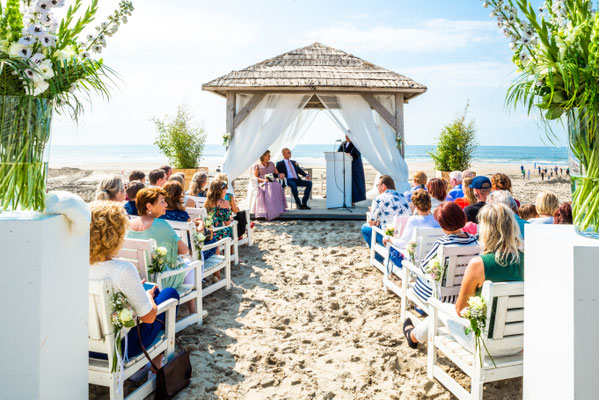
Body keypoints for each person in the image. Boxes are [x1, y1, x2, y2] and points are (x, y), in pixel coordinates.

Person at [403, 203, 523, 351]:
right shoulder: (528, 261)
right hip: (518, 343)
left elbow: (460, 309)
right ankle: (413, 334)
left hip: (484, 345)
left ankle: (413, 336)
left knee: (440, 309)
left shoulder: (479, 264)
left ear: (486, 229)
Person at [89, 201, 180, 362]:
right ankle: (157, 363)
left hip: (85, 347)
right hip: (122, 347)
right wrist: (148, 296)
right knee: (169, 293)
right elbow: (149, 318)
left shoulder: (74, 267)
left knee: (155, 291)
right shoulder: (122, 269)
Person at [127, 187, 189, 291]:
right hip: (159, 281)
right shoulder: (161, 224)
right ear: (149, 206)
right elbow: (184, 250)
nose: (166, 205)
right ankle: (192, 307)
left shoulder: (129, 224)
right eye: (162, 202)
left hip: (137, 280)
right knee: (190, 264)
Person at [383, 189, 440, 267]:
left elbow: (402, 244)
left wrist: (388, 238)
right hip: (432, 261)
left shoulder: (413, 220)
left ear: (416, 206)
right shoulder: (437, 219)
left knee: (392, 250)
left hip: (415, 263)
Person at [361, 175, 410, 248]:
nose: (378, 188)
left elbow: (372, 223)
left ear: (383, 186)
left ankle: (381, 257)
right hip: (403, 234)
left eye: (378, 186)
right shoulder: (403, 197)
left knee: (365, 228)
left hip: (388, 235)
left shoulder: (378, 199)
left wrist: (373, 214)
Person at [253, 150, 287, 220]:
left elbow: (276, 174)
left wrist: (280, 175)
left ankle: (276, 208)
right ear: (264, 156)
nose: (270, 156)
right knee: (270, 187)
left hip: (272, 180)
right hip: (263, 182)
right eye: (268, 155)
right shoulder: (257, 166)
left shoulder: (272, 164)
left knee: (277, 185)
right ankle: (270, 210)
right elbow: (255, 177)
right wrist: (263, 180)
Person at [215, 173, 249, 238]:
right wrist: (237, 208)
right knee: (240, 213)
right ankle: (242, 231)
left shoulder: (210, 196)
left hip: (215, 223)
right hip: (225, 223)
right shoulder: (228, 196)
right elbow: (235, 210)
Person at [338, 135, 366, 205]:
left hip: (354, 167)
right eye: (346, 136)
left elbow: (357, 154)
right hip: (344, 166)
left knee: (353, 184)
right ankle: (344, 199)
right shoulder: (343, 144)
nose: (346, 137)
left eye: (348, 136)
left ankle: (353, 200)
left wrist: (349, 154)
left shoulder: (355, 144)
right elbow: (338, 152)